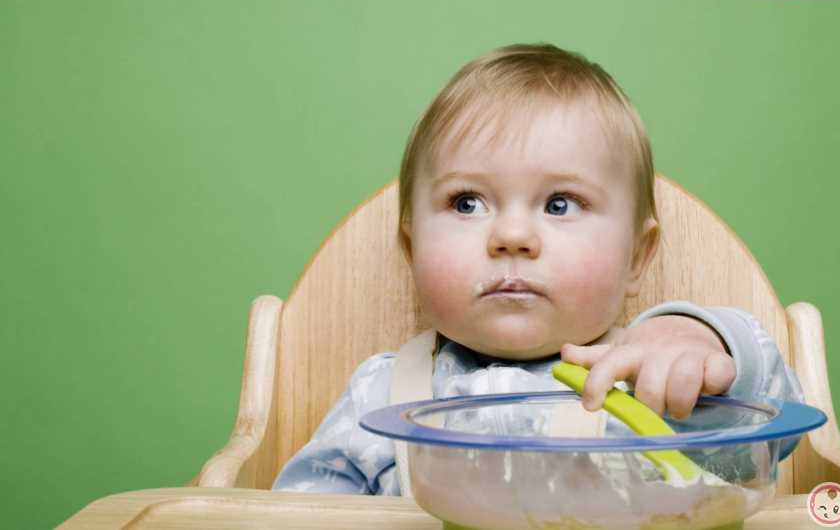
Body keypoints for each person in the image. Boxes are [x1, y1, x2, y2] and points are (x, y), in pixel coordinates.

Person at [271, 43, 804, 495]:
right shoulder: (381, 395)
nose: (512, 237)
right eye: (466, 203)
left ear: (637, 257)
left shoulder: (651, 387)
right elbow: (301, 512)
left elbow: (774, 429)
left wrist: (699, 341)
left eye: (559, 205)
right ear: (411, 250)